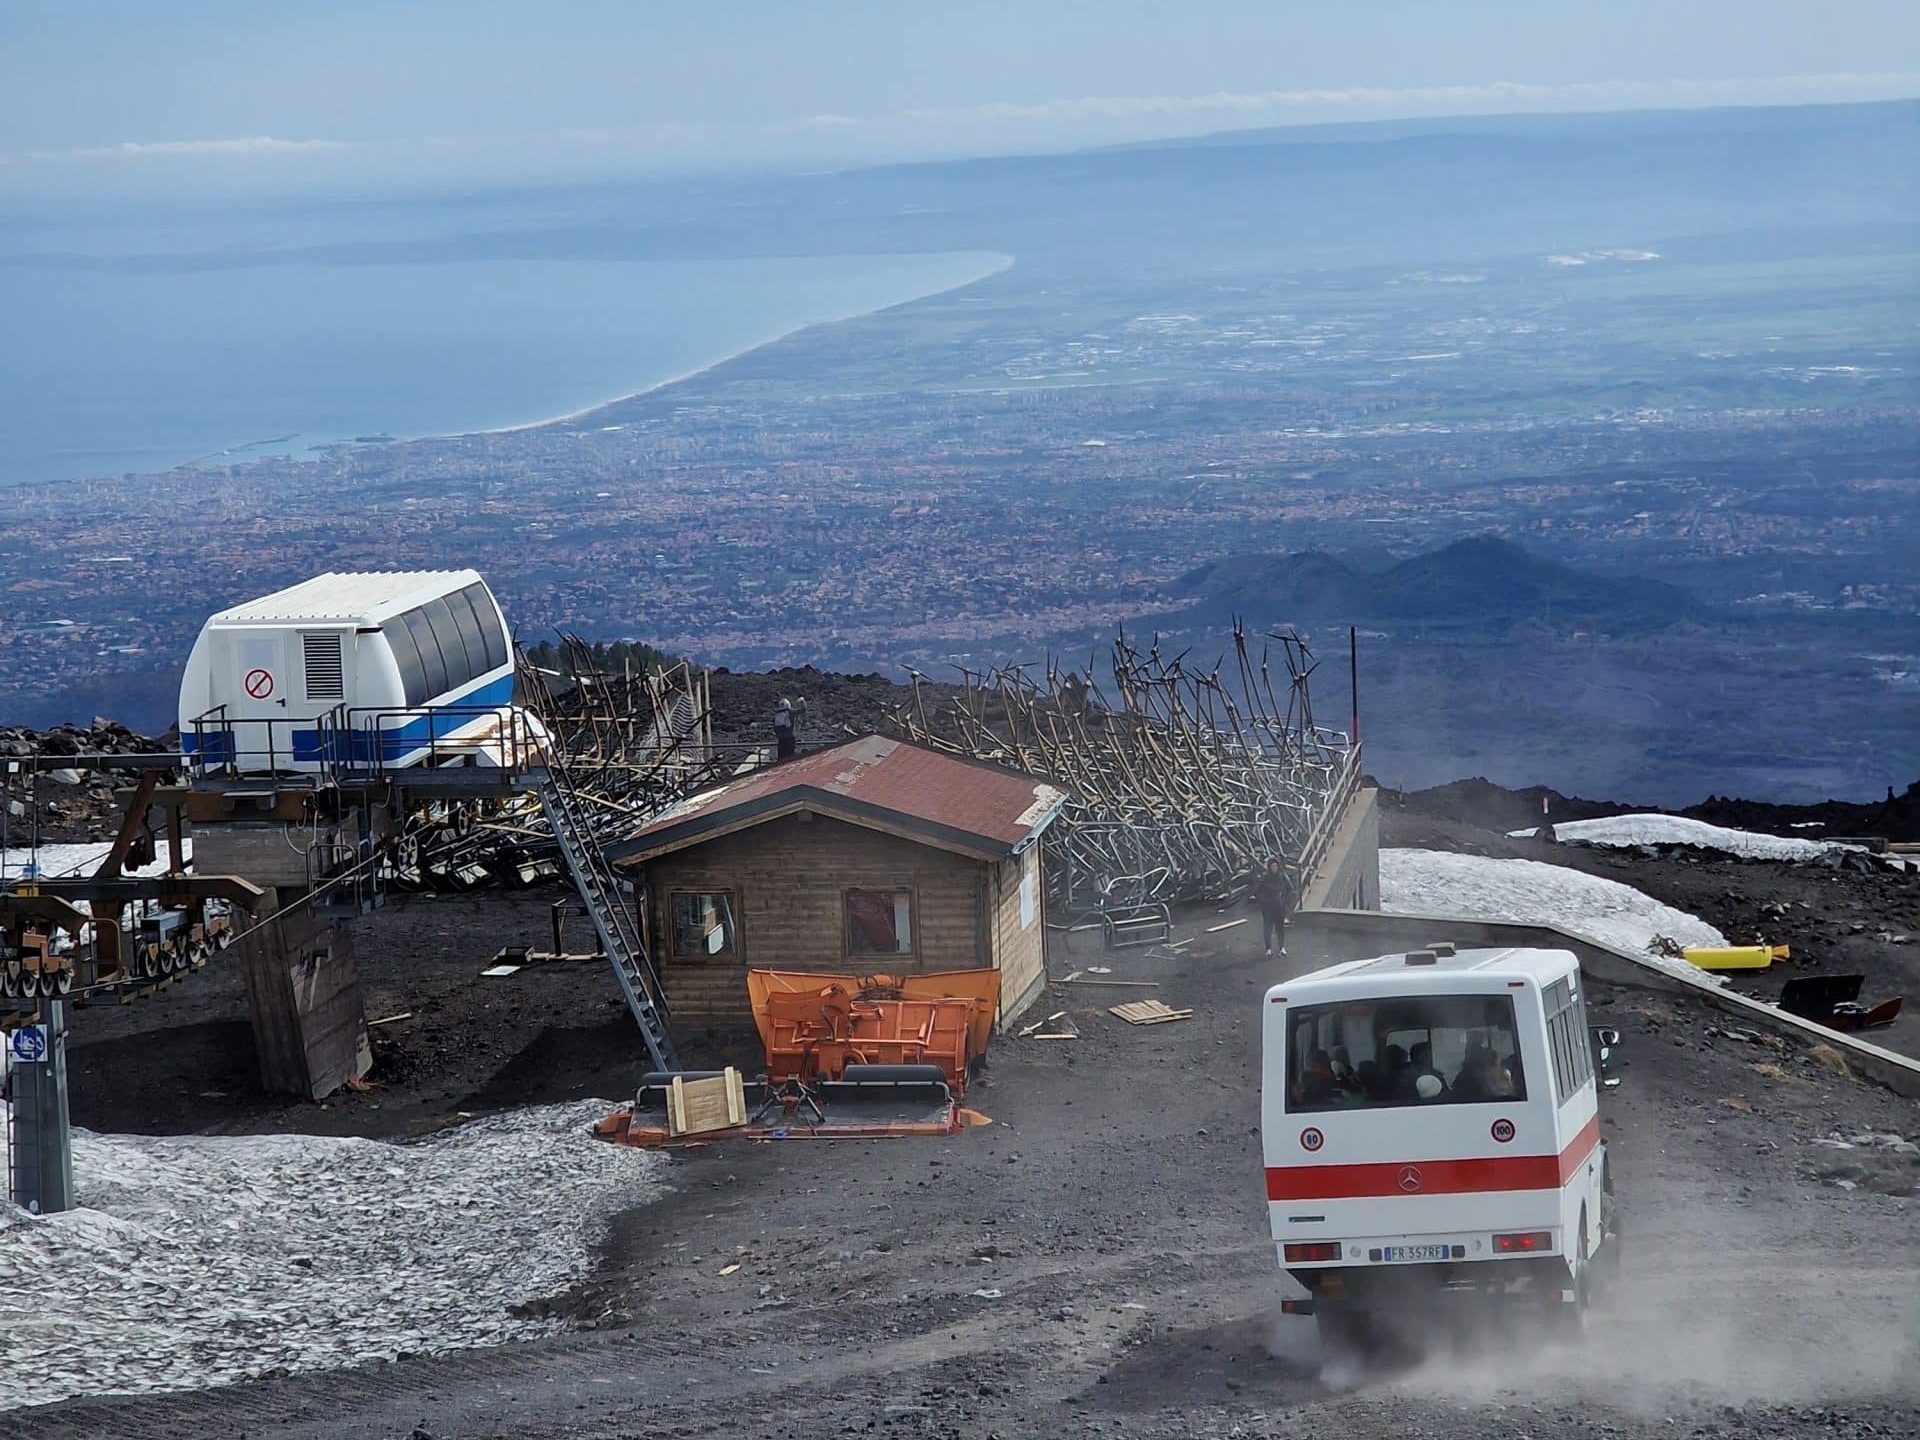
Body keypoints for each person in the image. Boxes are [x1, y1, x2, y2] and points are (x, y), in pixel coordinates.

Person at [1254, 858, 1295, 958]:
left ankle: (1282, 948)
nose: (1274, 868)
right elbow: (1257, 892)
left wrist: (1284, 900)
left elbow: (1290, 889)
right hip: (1268, 907)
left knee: (1280, 928)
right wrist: (1263, 901)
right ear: (1269, 867)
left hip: (1279, 906)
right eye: (1272, 866)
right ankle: (1268, 949)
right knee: (1267, 928)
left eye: (1276, 866)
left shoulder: (1282, 877)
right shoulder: (1264, 878)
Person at [773, 696, 796, 760]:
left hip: (781, 737)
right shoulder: (790, 712)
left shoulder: (777, 713)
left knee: (781, 756)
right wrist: (802, 701)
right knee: (790, 757)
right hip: (789, 736)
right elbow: (803, 709)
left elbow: (775, 725)